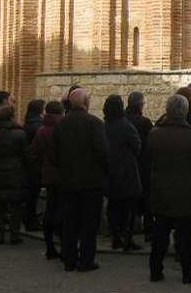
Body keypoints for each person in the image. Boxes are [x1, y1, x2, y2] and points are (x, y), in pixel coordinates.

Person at [149, 94, 191, 284]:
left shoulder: (155, 134)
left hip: (161, 190)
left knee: (160, 233)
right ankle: (189, 273)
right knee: (186, 236)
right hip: (186, 193)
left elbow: (148, 159)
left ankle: (155, 270)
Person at [54, 88, 109, 272]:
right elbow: (103, 153)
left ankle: (69, 260)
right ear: (86, 103)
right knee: (89, 224)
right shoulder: (95, 123)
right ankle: (86, 261)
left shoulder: (61, 125)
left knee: (69, 222)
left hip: (68, 182)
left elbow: (53, 156)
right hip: (91, 183)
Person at [0, 104, 33, 245]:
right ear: (12, 116)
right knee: (16, 206)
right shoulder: (20, 134)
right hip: (15, 172)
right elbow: (26, 156)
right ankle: (14, 234)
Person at [104, 95, 142, 252]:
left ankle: (116, 237)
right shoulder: (125, 125)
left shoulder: (104, 125)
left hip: (110, 171)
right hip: (126, 171)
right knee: (128, 207)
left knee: (113, 205)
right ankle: (127, 239)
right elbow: (137, 145)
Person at [31, 100, 64, 260]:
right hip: (63, 175)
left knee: (50, 211)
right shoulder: (62, 129)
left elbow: (34, 153)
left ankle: (50, 246)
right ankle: (65, 245)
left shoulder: (41, 131)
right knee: (63, 212)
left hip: (48, 175)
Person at [126, 91, 154, 242]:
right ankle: (148, 231)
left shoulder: (122, 120)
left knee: (129, 201)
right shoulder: (145, 122)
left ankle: (126, 232)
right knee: (147, 199)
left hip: (127, 168)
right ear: (139, 105)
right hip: (143, 166)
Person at [22, 99, 45, 231]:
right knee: (32, 195)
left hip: (28, 164)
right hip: (35, 165)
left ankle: (28, 219)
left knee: (30, 195)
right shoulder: (38, 126)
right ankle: (31, 221)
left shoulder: (27, 123)